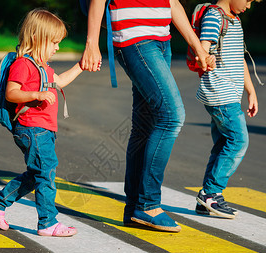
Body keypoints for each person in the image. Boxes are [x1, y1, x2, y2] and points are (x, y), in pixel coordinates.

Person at [81, 0, 215, 232]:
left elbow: (172, 2)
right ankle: (148, 203)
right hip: (134, 37)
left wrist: (197, 46)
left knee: (145, 125)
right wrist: (92, 42)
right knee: (171, 116)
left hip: (162, 40)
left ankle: (134, 208)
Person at [0, 9, 95, 237]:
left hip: (43, 130)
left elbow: (60, 81)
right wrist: (36, 94)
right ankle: (47, 222)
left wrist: (81, 65)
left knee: (38, 174)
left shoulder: (43, 67)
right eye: (54, 42)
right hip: (31, 128)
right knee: (46, 173)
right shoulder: (23, 65)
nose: (57, 47)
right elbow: (11, 93)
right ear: (37, 38)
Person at [193, 0, 260, 218]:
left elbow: (239, 59)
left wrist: (251, 91)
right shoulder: (214, 17)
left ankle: (206, 198)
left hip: (227, 95)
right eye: (248, 0)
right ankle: (211, 193)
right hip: (220, 95)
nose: (249, 6)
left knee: (223, 143)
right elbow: (203, 48)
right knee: (238, 140)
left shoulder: (234, 20)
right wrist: (205, 57)